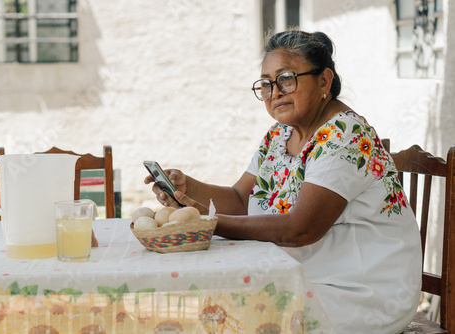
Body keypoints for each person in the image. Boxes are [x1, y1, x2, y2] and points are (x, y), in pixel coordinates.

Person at [144, 29, 422, 333]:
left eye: (286, 79)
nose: (275, 92)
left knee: (229, 316)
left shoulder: (344, 135)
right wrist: (187, 188)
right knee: (209, 310)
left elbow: (301, 229)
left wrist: (209, 222)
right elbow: (240, 199)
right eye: (266, 83)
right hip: (303, 276)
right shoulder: (279, 135)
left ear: (324, 81)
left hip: (361, 291)